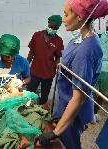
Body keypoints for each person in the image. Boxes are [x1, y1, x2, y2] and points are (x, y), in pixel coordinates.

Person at [34, 0, 108, 149]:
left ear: (80, 17)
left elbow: (78, 98)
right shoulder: (78, 39)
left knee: (69, 145)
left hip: (73, 112)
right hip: (64, 103)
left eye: (66, 14)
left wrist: (55, 133)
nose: (63, 19)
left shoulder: (85, 50)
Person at [0, 79, 52, 149]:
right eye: (12, 83)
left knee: (35, 116)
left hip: (26, 109)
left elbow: (33, 101)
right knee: (12, 116)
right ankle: (24, 138)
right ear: (8, 88)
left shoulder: (26, 93)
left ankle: (35, 138)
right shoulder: (7, 95)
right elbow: (5, 105)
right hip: (13, 110)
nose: (15, 83)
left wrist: (27, 101)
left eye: (16, 81)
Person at [27, 15, 64, 105]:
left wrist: (57, 73)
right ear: (48, 24)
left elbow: (57, 59)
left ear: (58, 28)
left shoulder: (58, 41)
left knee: (44, 97)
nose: (52, 29)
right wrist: (25, 67)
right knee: (29, 94)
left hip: (48, 74)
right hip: (35, 71)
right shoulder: (37, 35)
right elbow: (31, 53)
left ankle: (42, 114)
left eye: (55, 28)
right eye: (51, 26)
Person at [92, 25, 108, 123]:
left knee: (103, 94)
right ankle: (91, 113)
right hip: (97, 69)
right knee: (93, 92)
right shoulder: (99, 36)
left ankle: (95, 112)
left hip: (107, 73)